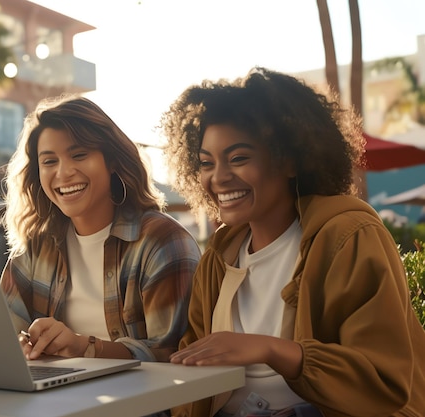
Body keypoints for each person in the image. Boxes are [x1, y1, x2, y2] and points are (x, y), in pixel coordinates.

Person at [160, 67, 425, 417]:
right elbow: (191, 368)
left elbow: (382, 381)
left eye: (238, 158)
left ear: (289, 160)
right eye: (207, 163)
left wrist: (273, 350)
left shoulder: (348, 237)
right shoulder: (219, 259)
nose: (219, 178)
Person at [0, 95, 201, 364]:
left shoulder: (162, 241)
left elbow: (171, 354)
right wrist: (22, 344)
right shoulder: (37, 246)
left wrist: (84, 347)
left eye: (79, 155)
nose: (64, 172)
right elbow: (3, 335)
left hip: (142, 402)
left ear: (113, 160)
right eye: (49, 161)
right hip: (53, 399)